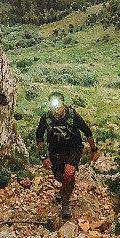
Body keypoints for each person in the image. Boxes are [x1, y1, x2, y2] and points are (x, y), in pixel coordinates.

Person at [36, 91, 99, 219]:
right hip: (55, 150)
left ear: (64, 106)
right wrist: (44, 157)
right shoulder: (46, 118)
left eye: (58, 107)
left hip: (73, 149)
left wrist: (94, 149)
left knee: (69, 173)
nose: (55, 110)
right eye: (53, 107)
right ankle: (65, 188)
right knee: (59, 176)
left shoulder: (72, 115)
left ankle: (65, 202)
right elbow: (39, 136)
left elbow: (87, 131)